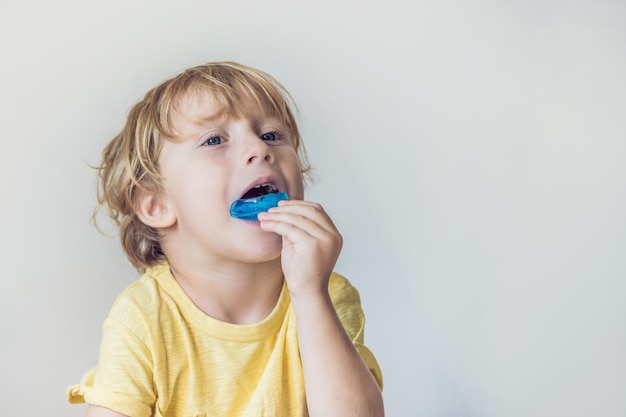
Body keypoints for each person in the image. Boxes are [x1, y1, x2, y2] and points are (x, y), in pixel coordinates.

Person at [67, 61, 384, 417]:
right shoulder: (144, 317)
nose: (260, 149)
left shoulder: (325, 295)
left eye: (271, 135)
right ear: (156, 205)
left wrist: (311, 295)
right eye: (214, 140)